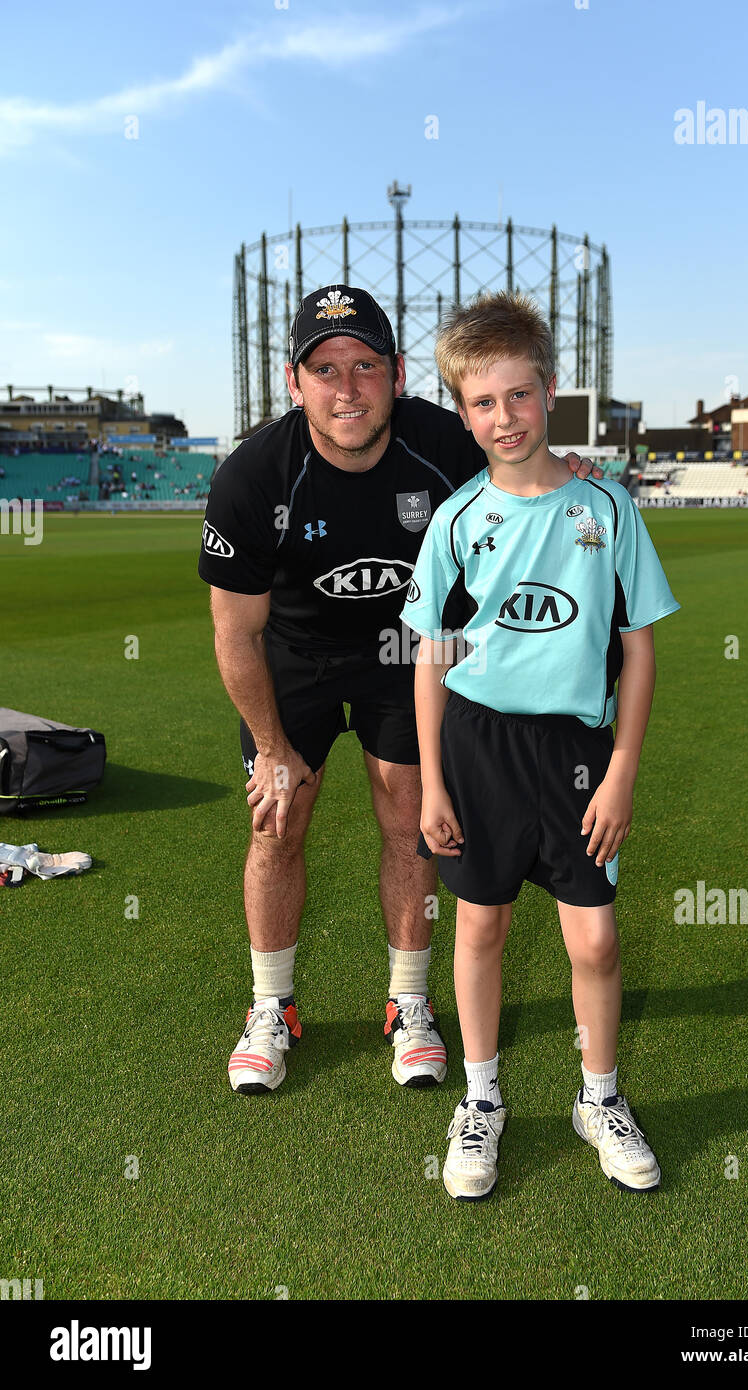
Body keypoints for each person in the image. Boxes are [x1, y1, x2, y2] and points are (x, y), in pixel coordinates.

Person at [198, 283, 603, 1098]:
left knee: (409, 814)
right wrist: (272, 751)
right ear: (293, 381)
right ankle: (270, 1008)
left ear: (397, 372)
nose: (347, 389)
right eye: (325, 370)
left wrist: (571, 473)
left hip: (406, 653)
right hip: (295, 660)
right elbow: (235, 632)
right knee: (279, 820)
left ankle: (410, 1002)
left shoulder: (441, 442)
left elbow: (518, 461)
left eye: (365, 367)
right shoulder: (251, 476)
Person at [400, 291, 680, 1200]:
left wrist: (625, 770)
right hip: (478, 746)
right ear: (462, 411)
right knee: (479, 925)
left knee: (595, 941)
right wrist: (434, 785)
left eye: (518, 396)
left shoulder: (608, 509)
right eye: (482, 402)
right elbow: (431, 661)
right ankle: (481, 1098)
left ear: (550, 390)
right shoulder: (455, 521)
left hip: (576, 751)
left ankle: (597, 1097)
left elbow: (637, 650)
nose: (504, 417)